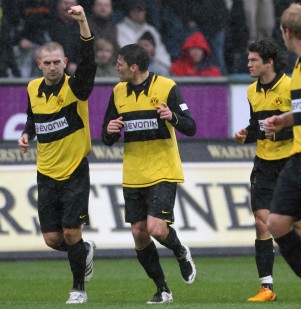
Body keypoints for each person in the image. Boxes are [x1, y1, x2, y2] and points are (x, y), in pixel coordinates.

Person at [101, 43, 197, 304]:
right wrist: (109, 130)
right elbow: (107, 136)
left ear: (133, 67)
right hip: (133, 172)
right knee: (139, 234)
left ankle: (179, 251)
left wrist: (172, 116)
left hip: (163, 169)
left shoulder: (166, 87)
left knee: (155, 228)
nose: (116, 67)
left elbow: (191, 127)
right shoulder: (118, 91)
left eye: (119, 63)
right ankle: (163, 289)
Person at [17, 5, 96, 305]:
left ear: (65, 62)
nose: (53, 67)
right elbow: (33, 116)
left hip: (75, 169)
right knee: (53, 239)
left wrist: (84, 23)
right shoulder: (32, 88)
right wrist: (28, 133)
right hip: (46, 172)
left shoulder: (76, 88)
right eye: (47, 63)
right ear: (39, 64)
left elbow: (88, 63)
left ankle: (78, 289)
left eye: (57, 62)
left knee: (71, 231)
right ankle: (84, 251)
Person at [235, 37, 301, 303]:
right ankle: (266, 288)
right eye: (248, 59)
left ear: (269, 62)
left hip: (290, 162)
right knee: (263, 222)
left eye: (253, 60)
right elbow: (257, 124)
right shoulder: (251, 91)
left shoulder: (291, 85)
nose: (248, 64)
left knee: (298, 228)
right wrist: (245, 134)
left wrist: (276, 133)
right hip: (263, 164)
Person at [263, 3, 301, 308]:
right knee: (278, 223)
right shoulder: (300, 65)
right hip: (299, 159)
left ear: (287, 32)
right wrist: (283, 120)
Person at [116, 0, 171, 70]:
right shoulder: (120, 29)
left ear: (144, 12)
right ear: (130, 12)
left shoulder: (151, 30)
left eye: (140, 10)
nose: (138, 13)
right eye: (134, 11)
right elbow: (126, 54)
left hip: (153, 67)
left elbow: (161, 53)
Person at [49, 0, 81, 76]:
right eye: (65, 3)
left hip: (77, 69)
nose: (68, 6)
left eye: (72, 4)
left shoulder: (83, 25)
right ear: (58, 5)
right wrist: (66, 64)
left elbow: (86, 50)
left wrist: (78, 65)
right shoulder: (50, 25)